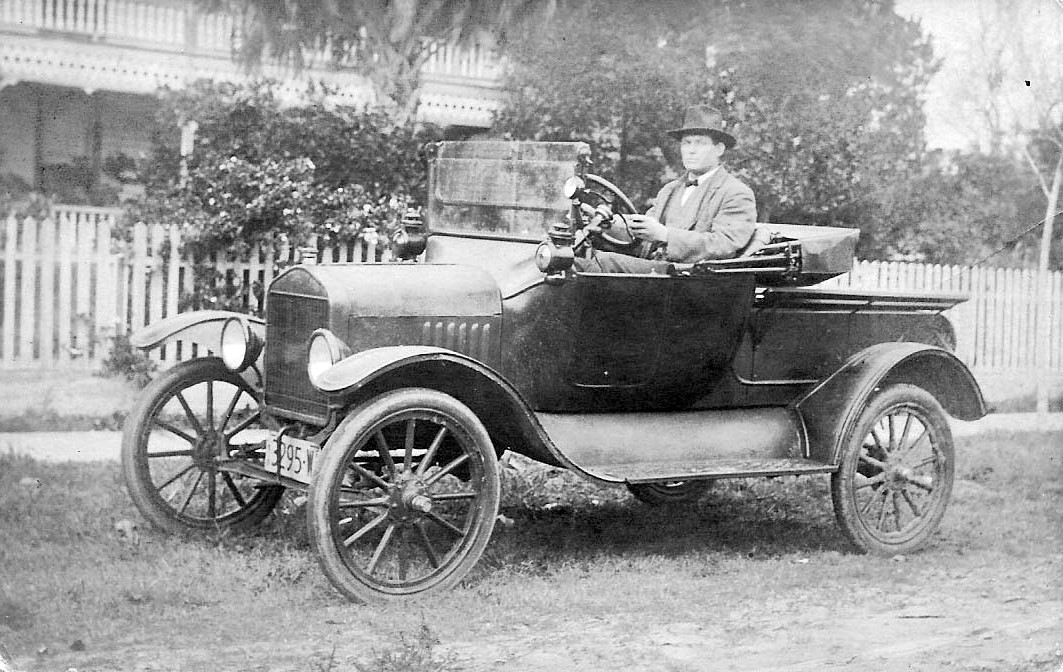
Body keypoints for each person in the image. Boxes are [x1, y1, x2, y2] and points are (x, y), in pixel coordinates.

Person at [576, 104, 757, 273]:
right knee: (568, 259)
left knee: (602, 263)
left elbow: (723, 245)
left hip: (696, 280)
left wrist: (666, 235)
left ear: (719, 149)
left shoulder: (735, 193)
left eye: (700, 143)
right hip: (661, 273)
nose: (691, 150)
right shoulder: (670, 190)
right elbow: (642, 234)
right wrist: (608, 224)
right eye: (686, 143)